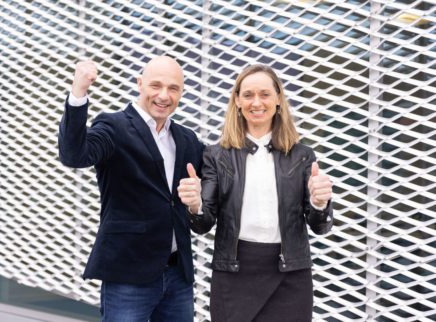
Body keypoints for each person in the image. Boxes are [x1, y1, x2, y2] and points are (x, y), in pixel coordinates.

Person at [177, 64, 333, 321]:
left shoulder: (302, 156)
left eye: (265, 94)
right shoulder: (217, 156)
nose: (256, 102)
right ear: (237, 101)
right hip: (234, 273)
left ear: (278, 99)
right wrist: (195, 205)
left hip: (290, 275)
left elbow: (319, 226)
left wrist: (319, 203)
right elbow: (203, 224)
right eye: (248, 95)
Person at [58, 56, 204, 321]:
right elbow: (74, 155)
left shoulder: (186, 139)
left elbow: (215, 180)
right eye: (155, 85)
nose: (163, 95)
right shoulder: (114, 127)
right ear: (140, 84)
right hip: (128, 276)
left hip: (177, 276)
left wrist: (199, 198)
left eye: (173, 88)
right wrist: (78, 92)